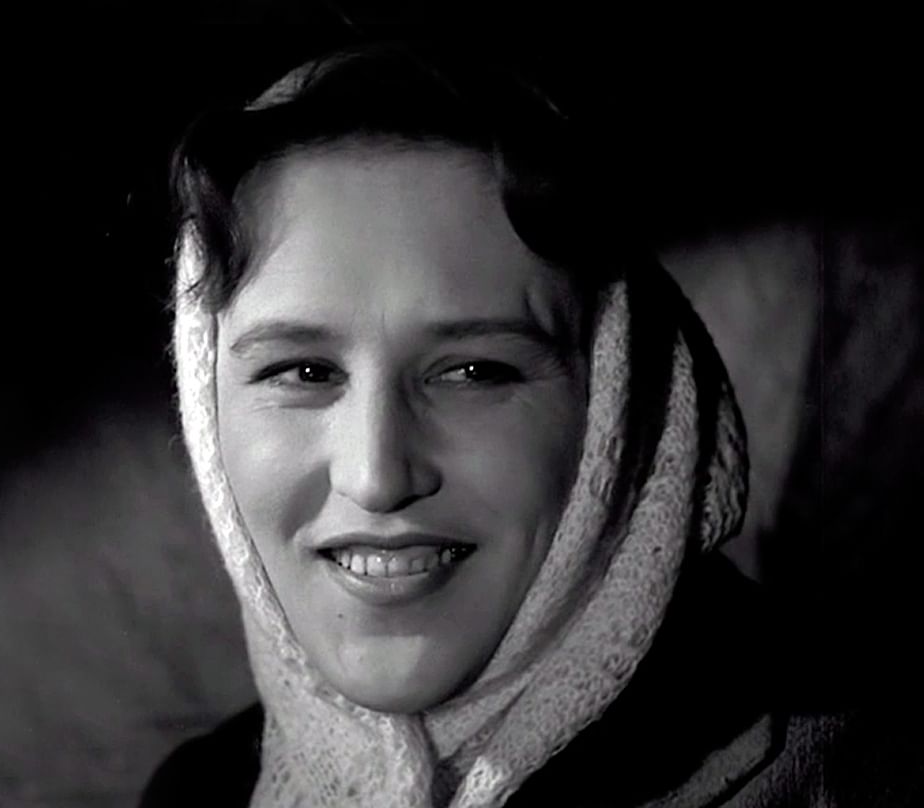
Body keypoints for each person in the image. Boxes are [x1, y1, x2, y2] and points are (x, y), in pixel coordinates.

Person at [141, 43, 905, 807]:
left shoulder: (846, 779)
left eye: (475, 371)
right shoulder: (199, 792)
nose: (376, 476)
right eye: (305, 373)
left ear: (618, 404)